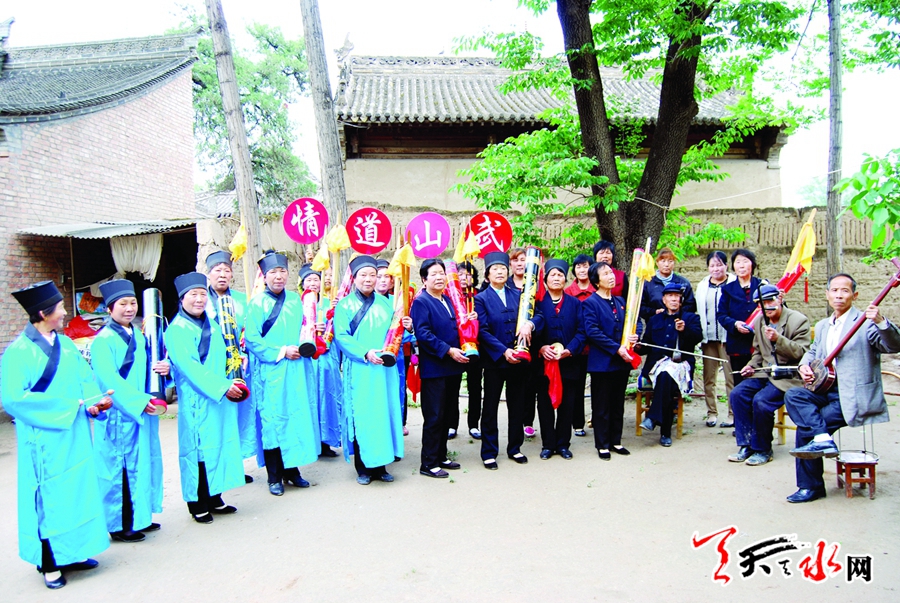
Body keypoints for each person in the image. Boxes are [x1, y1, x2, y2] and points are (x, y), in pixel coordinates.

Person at [2, 281, 111, 589]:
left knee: (77, 492)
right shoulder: (18, 352)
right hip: (44, 438)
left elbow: (85, 380)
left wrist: (95, 402)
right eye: (60, 308)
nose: (65, 313)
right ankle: (49, 563)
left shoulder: (65, 345)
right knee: (48, 499)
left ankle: (73, 552)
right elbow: (13, 399)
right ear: (42, 313)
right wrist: (70, 406)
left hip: (75, 432)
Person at [783, 274, 900, 503]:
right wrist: (804, 365)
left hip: (851, 396)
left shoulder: (865, 323)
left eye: (845, 291)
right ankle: (822, 439)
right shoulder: (823, 325)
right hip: (823, 387)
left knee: (806, 430)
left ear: (854, 295)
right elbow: (813, 352)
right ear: (827, 294)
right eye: (834, 290)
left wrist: (881, 322)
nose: (839, 295)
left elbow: (894, 345)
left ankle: (811, 486)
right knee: (794, 394)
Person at [165, 272, 245, 523]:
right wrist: (223, 386)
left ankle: (215, 496)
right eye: (193, 295)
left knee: (219, 443)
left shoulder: (213, 323)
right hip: (197, 399)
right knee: (198, 450)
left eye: (202, 294)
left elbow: (226, 353)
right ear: (182, 299)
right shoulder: (177, 329)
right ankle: (197, 502)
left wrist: (234, 374)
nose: (199, 299)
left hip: (220, 395)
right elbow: (190, 368)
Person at [92, 279, 167, 543]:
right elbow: (108, 379)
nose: (129, 308)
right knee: (120, 471)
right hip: (119, 414)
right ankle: (119, 524)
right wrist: (138, 401)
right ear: (109, 308)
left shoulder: (138, 334)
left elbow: (147, 369)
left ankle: (140, 516)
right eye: (122, 304)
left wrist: (162, 373)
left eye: (132, 303)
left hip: (140, 411)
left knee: (143, 464)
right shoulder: (103, 340)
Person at [244, 252, 319, 496]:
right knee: (274, 422)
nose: (278, 276)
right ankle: (274, 476)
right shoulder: (257, 304)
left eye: (282, 271)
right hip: (272, 372)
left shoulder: (296, 300)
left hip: (296, 369)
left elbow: (305, 329)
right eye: (273, 272)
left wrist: (308, 341)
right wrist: (282, 351)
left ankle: (292, 470)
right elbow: (252, 340)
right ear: (264, 277)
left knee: (295, 417)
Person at [333, 255, 405, 484]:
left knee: (383, 413)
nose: (368, 279)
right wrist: (365, 352)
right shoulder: (344, 305)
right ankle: (363, 468)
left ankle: (381, 466)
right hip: (361, 368)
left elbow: (395, 335)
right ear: (354, 278)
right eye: (363, 275)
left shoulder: (386, 304)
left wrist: (407, 327)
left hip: (384, 369)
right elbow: (341, 336)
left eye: (372, 275)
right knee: (363, 415)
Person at [728, 285, 810, 466]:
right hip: (764, 373)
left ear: (779, 299)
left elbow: (803, 353)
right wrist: (751, 366)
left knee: (761, 401)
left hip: (787, 376)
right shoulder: (759, 321)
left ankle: (763, 449)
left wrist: (778, 340)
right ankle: (746, 445)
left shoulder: (798, 320)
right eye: (762, 304)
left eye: (770, 301)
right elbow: (758, 352)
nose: (767, 307)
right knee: (737, 394)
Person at [474, 251, 541, 469]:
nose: (500, 272)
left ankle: (515, 448)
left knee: (517, 405)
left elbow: (538, 314)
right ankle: (489, 452)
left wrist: (530, 324)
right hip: (494, 361)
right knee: (490, 407)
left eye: (503, 268)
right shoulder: (480, 299)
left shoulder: (519, 294)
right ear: (487, 275)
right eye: (495, 269)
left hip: (519, 360)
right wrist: (504, 351)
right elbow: (482, 331)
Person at [410, 259, 474, 477]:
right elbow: (423, 334)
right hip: (435, 367)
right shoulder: (421, 302)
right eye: (434, 274)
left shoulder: (447, 299)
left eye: (441, 273)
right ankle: (428, 463)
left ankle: (441, 455)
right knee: (434, 416)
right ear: (424, 279)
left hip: (452, 367)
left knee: (447, 414)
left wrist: (469, 320)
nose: (439, 277)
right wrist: (448, 350)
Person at [205, 250, 257, 483]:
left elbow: (248, 330)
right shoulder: (200, 300)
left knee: (238, 416)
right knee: (216, 418)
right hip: (213, 367)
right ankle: (215, 467)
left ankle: (235, 466)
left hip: (239, 365)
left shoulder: (241, 300)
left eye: (227, 270)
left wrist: (244, 351)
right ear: (208, 274)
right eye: (217, 270)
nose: (223, 275)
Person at [635, 282, 703, 447]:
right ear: (664, 300)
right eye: (670, 296)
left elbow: (697, 338)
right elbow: (646, 345)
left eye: (676, 296)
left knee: (666, 376)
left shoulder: (691, 318)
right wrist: (637, 346)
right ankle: (664, 432)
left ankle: (653, 418)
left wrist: (684, 330)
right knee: (664, 377)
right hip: (656, 366)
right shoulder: (655, 319)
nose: (673, 299)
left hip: (680, 364)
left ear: (681, 300)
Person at [533, 259, 584, 460]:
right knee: (544, 404)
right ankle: (548, 444)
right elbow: (529, 333)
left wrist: (570, 350)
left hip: (568, 362)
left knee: (567, 404)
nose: (556, 278)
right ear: (545, 280)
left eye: (560, 275)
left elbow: (582, 332)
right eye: (552, 275)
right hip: (543, 364)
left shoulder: (575, 304)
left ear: (565, 279)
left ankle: (563, 444)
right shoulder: (536, 304)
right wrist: (541, 348)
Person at [583, 262, 632, 459]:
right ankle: (602, 444)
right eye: (605, 273)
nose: (611, 276)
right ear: (596, 281)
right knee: (601, 404)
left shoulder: (620, 301)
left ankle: (616, 441)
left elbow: (631, 323)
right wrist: (616, 348)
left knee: (617, 403)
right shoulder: (590, 303)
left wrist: (633, 337)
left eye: (611, 272)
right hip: (602, 363)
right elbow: (592, 331)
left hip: (621, 362)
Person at [299, 263, 342, 458]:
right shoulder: (297, 305)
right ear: (302, 283)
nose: (313, 283)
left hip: (326, 359)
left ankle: (326, 441)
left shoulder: (328, 303)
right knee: (310, 399)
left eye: (316, 279)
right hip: (307, 360)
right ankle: (309, 442)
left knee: (327, 398)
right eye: (309, 280)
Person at [716, 248, 762, 428]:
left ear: (752, 264)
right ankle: (741, 424)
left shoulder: (762, 285)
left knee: (759, 384)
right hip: (738, 344)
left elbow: (775, 310)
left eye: (745, 261)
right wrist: (735, 324)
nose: (741, 266)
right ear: (733, 266)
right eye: (738, 262)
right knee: (740, 385)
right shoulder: (728, 289)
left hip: (760, 345)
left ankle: (758, 424)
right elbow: (721, 315)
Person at [696, 250, 737, 427]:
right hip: (709, 338)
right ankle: (711, 413)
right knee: (709, 378)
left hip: (729, 338)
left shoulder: (734, 283)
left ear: (726, 266)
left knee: (731, 378)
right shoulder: (703, 285)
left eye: (719, 265)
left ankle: (733, 414)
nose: (716, 269)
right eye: (712, 265)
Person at [375, 258, 414, 436]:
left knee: (396, 390)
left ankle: (396, 426)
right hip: (374, 354)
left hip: (396, 355)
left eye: (387, 277)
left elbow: (408, 333)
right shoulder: (365, 301)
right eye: (379, 276)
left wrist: (409, 327)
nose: (383, 280)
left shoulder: (398, 302)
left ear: (393, 281)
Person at [564, 253, 594, 438]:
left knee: (598, 386)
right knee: (577, 385)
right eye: (579, 266)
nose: (582, 270)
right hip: (576, 347)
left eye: (586, 266)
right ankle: (577, 423)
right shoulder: (568, 292)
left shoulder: (598, 291)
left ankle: (598, 420)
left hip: (596, 347)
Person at [457, 260, 483, 439]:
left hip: (476, 348)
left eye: (467, 274)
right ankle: (452, 425)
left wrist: (477, 316)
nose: (463, 278)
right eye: (459, 274)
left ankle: (474, 424)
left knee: (475, 387)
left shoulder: (479, 296)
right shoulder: (450, 295)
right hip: (456, 348)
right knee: (453, 388)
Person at [640, 247, 696, 321]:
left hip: (678, 323)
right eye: (663, 261)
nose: (666, 264)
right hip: (655, 324)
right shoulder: (648, 283)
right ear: (657, 262)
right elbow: (641, 307)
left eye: (670, 261)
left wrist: (676, 312)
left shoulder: (683, 283)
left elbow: (691, 306)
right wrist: (655, 312)